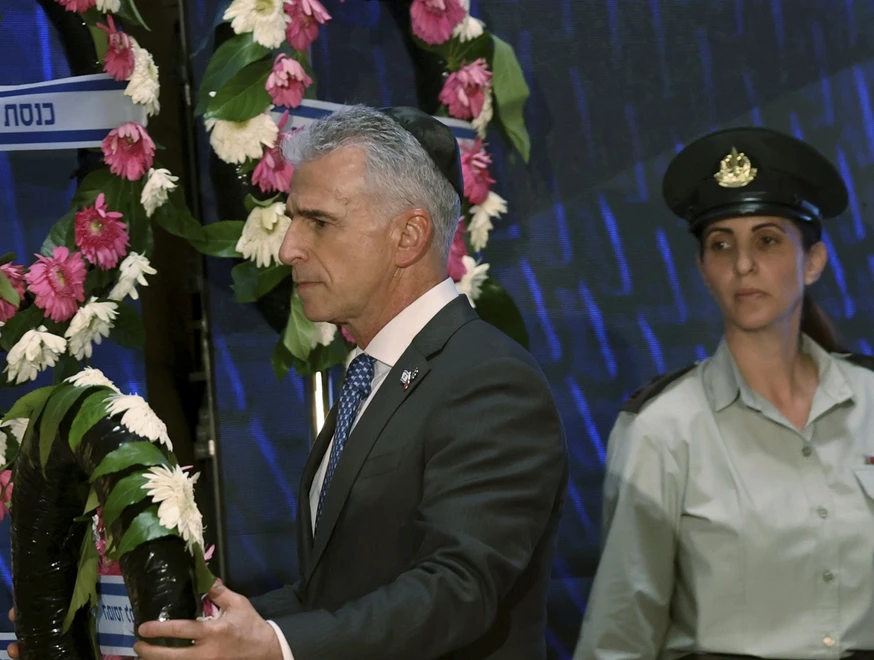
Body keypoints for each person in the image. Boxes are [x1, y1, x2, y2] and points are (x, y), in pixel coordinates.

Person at [126, 105, 569, 659]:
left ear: (408, 236)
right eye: (292, 219)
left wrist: (277, 648)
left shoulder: (489, 380)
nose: (288, 248)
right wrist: (201, 632)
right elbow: (333, 593)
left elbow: (457, 590)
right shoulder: (375, 371)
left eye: (319, 222)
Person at [572, 126, 874, 660]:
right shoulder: (663, 429)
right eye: (721, 244)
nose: (742, 264)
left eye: (767, 240)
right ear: (703, 269)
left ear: (813, 261)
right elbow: (620, 635)